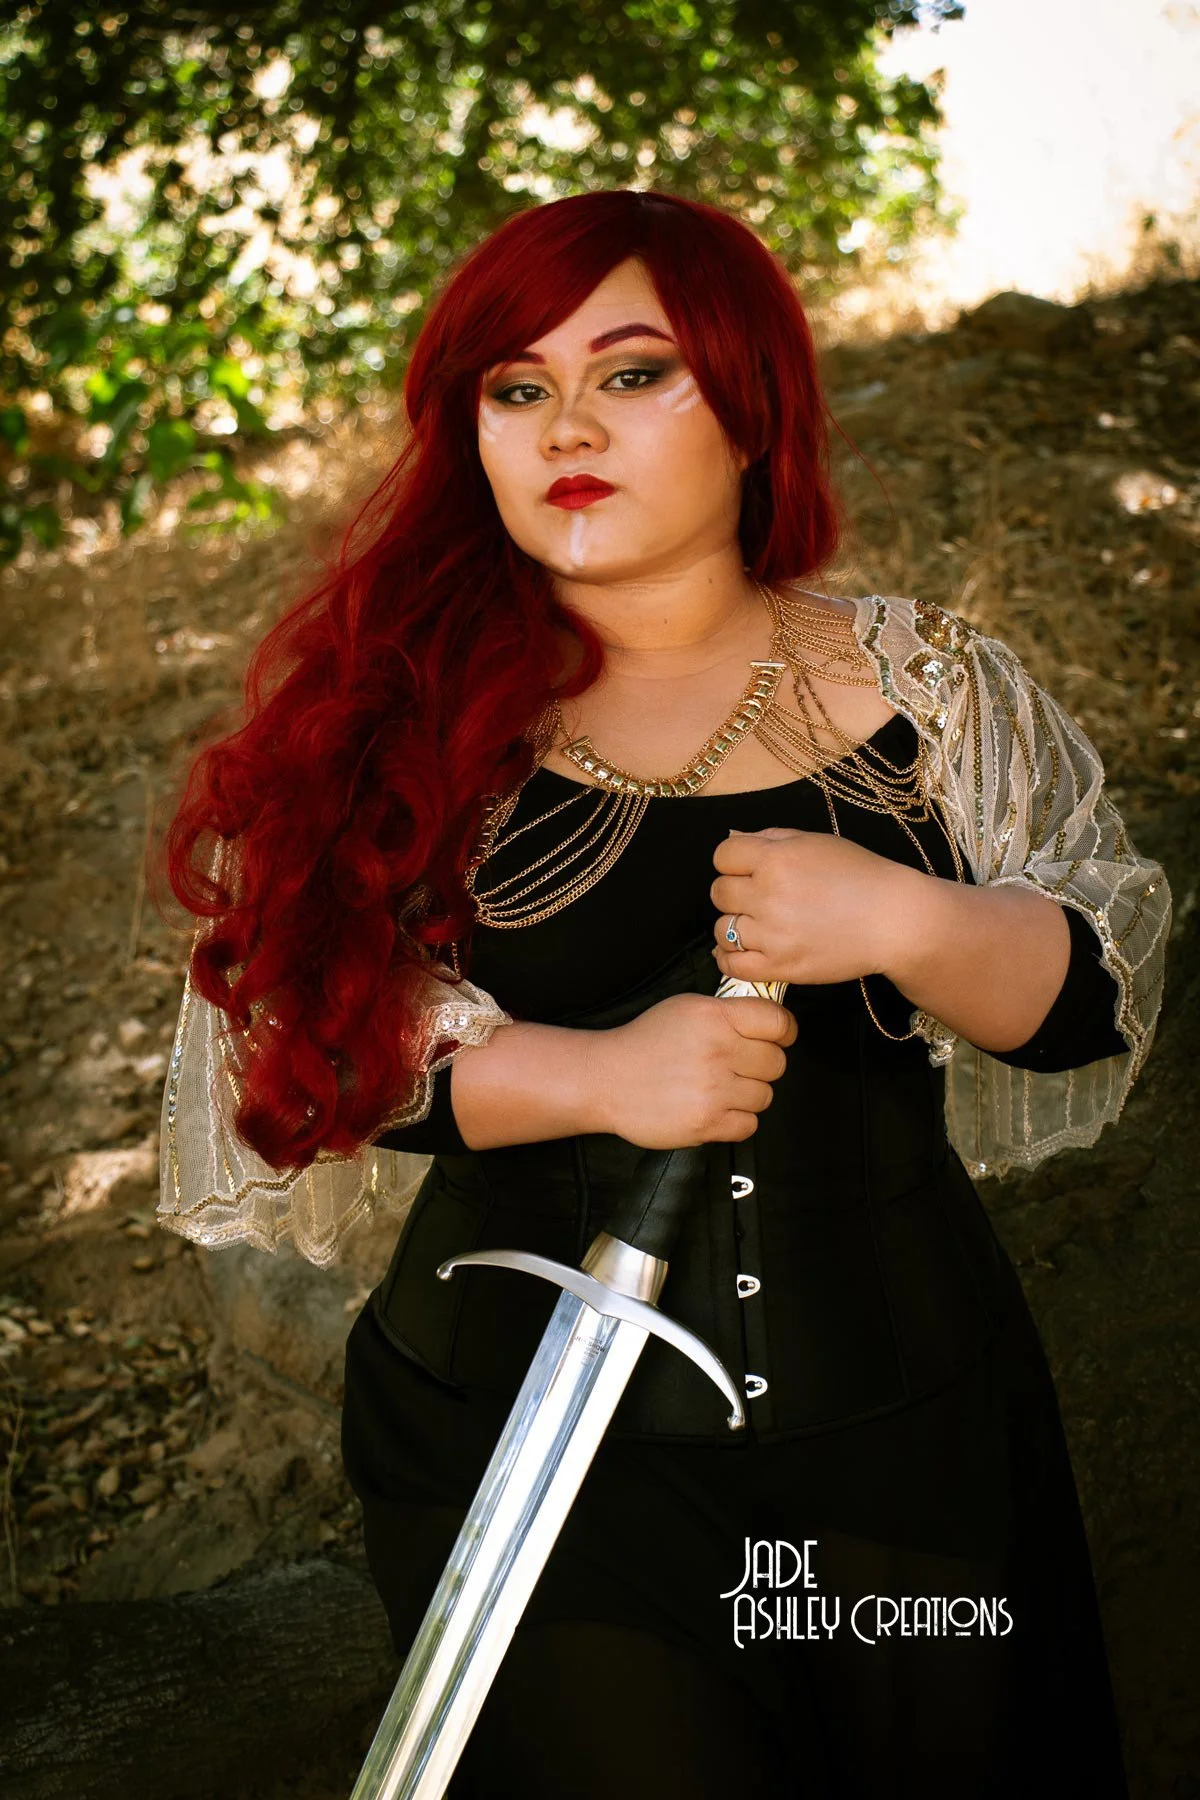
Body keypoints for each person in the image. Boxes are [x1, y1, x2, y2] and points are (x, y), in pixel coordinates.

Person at [156, 190, 1169, 1797]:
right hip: (532, 1459)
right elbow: (293, 1047)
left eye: (635, 375)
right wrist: (590, 1078)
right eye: (516, 386)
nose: (569, 423)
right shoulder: (403, 718)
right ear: (469, 430)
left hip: (899, 1432)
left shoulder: (928, 691)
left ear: (752, 405)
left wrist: (912, 916)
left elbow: (1089, 992)